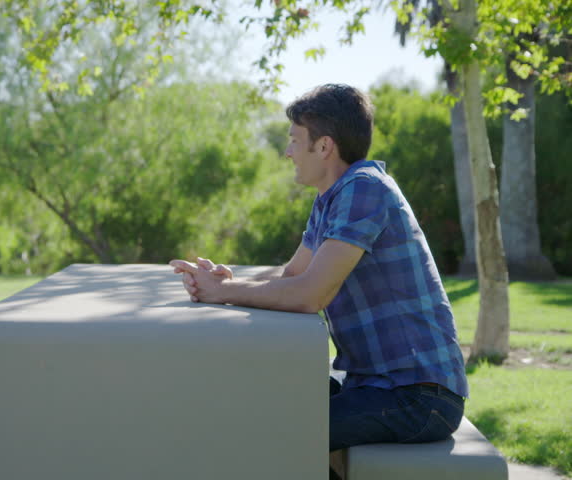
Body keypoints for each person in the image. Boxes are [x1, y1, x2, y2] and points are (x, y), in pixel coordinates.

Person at [169, 84, 468, 462]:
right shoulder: (332, 198)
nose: (288, 151)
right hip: (375, 387)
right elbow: (293, 275)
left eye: (295, 140)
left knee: (273, 435)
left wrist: (223, 293)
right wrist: (225, 283)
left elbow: (310, 294)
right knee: (258, 402)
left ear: (324, 146)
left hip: (418, 397)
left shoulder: (364, 188)